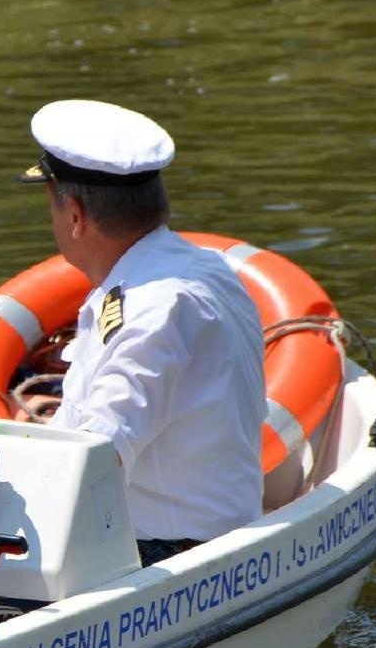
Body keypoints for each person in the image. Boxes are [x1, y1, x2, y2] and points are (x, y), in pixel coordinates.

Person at [16, 99, 265, 565]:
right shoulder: (201, 268)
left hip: (166, 556)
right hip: (200, 538)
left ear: (74, 215)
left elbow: (94, 459)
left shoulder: (150, 310)